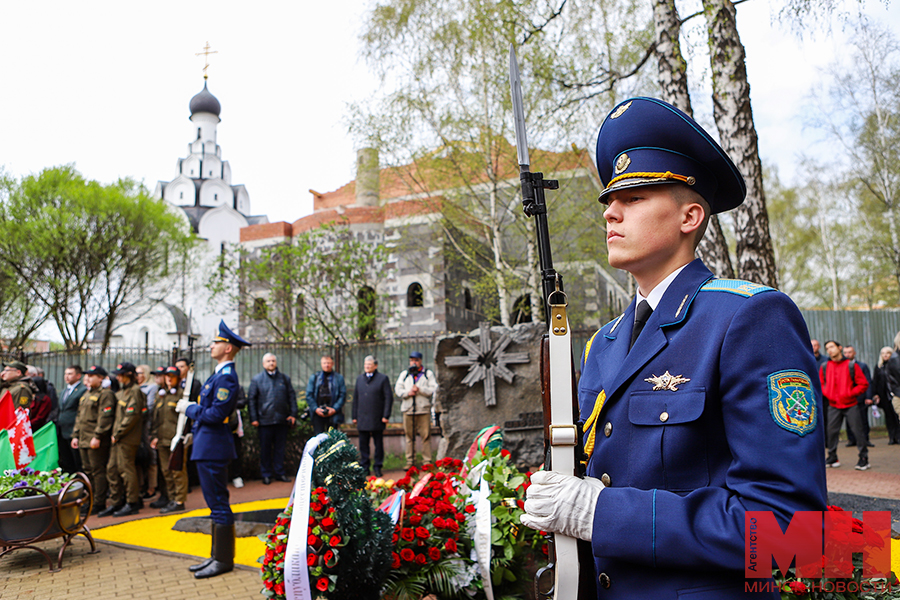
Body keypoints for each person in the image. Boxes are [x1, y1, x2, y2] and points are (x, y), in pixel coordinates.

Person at [520, 97, 826, 599]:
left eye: (636, 196)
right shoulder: (603, 344)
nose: (611, 212)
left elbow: (789, 534)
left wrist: (603, 514)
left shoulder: (748, 318)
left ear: (690, 215)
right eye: (610, 201)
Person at [176, 320, 250, 579]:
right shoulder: (219, 374)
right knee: (214, 503)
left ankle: (223, 560)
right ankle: (216, 556)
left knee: (218, 504)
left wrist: (190, 409)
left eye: (217, 342)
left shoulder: (227, 378)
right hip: (208, 446)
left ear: (228, 348)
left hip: (214, 448)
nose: (212, 345)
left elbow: (217, 414)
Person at [101, 362, 146, 517]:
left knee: (126, 470)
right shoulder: (121, 392)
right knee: (112, 469)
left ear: (128, 375)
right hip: (117, 437)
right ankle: (116, 502)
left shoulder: (134, 391)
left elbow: (131, 416)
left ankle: (132, 502)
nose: (117, 377)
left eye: (120, 374)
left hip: (126, 438)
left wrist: (118, 433)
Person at [71, 365, 117, 515]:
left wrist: (97, 436)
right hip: (84, 438)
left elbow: (105, 418)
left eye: (92, 376)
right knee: (88, 471)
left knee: (98, 471)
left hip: (94, 439)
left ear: (101, 378)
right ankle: (91, 499)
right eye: (88, 376)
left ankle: (99, 502)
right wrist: (75, 435)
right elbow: (79, 417)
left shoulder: (106, 394)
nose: (89, 379)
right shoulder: (86, 394)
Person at [248, 353, 297, 484]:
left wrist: (293, 414)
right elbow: (251, 400)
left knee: (280, 449)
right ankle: (266, 474)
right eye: (268, 361)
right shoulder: (257, 379)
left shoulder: (284, 379)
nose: (271, 363)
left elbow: (291, 397)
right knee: (265, 449)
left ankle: (280, 473)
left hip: (281, 420)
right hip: (264, 421)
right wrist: (254, 418)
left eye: (273, 361)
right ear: (263, 364)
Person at [821, 340, 870, 470]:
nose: (829, 350)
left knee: (858, 432)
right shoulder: (825, 366)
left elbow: (863, 384)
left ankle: (863, 458)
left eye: (832, 347)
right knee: (831, 432)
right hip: (833, 405)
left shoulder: (851, 365)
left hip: (851, 404)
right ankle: (832, 457)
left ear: (839, 348)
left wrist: (850, 393)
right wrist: (827, 393)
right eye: (827, 348)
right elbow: (820, 383)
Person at [150, 366, 188, 513]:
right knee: (166, 471)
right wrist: (154, 437)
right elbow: (155, 419)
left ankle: (179, 500)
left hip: (175, 438)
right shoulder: (162, 395)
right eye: (167, 376)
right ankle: (172, 499)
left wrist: (183, 436)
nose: (169, 379)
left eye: (172, 376)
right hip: (162, 439)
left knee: (178, 471)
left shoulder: (182, 395)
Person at [352, 355, 393, 477]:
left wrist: (386, 415)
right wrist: (354, 416)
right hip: (362, 417)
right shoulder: (359, 379)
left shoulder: (383, 379)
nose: (367, 367)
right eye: (365, 365)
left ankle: (378, 466)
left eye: (369, 365)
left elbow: (388, 398)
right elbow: (355, 398)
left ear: (375, 366)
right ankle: (365, 466)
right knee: (363, 444)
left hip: (377, 417)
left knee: (378, 443)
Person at [394, 351, 437, 468]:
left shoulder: (427, 374)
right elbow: (398, 389)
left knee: (426, 436)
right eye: (412, 360)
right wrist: (408, 393)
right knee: (409, 437)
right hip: (408, 409)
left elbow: (433, 389)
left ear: (420, 361)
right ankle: (410, 461)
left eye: (416, 360)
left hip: (423, 409)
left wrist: (420, 389)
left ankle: (427, 461)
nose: (414, 362)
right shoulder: (405, 374)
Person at [842, 345, 874, 448]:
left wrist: (869, 397)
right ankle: (851, 440)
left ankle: (865, 439)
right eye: (845, 352)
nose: (847, 354)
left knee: (863, 419)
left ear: (854, 353)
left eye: (849, 352)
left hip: (860, 398)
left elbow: (868, 382)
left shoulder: (862, 366)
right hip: (847, 398)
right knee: (848, 420)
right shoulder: (841, 366)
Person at [57, 365, 87, 474]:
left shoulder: (83, 390)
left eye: (70, 374)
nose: (67, 376)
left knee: (77, 460)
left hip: (73, 429)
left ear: (78, 376)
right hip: (62, 430)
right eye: (66, 374)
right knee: (65, 460)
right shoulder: (64, 391)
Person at [305, 355, 346, 435]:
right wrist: (316, 409)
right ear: (321, 364)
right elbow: (309, 395)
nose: (326, 365)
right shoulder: (315, 377)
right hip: (318, 414)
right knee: (318, 439)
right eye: (324, 363)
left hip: (333, 414)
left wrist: (334, 409)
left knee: (332, 439)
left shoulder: (339, 378)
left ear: (332, 364)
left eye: (328, 363)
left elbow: (342, 395)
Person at [136, 364, 159, 498]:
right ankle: (140, 486)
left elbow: (149, 406)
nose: (137, 376)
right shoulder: (134, 388)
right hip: (136, 427)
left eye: (140, 373)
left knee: (151, 457)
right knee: (138, 457)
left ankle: (152, 487)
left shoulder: (152, 387)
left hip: (148, 426)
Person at [872, 346, 900, 444]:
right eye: (883, 353)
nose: (885, 355)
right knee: (889, 417)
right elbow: (875, 381)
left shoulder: (895, 365)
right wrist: (875, 394)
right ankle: (892, 437)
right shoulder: (879, 367)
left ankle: (898, 436)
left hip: (895, 394)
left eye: (887, 353)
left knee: (897, 416)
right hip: (885, 396)